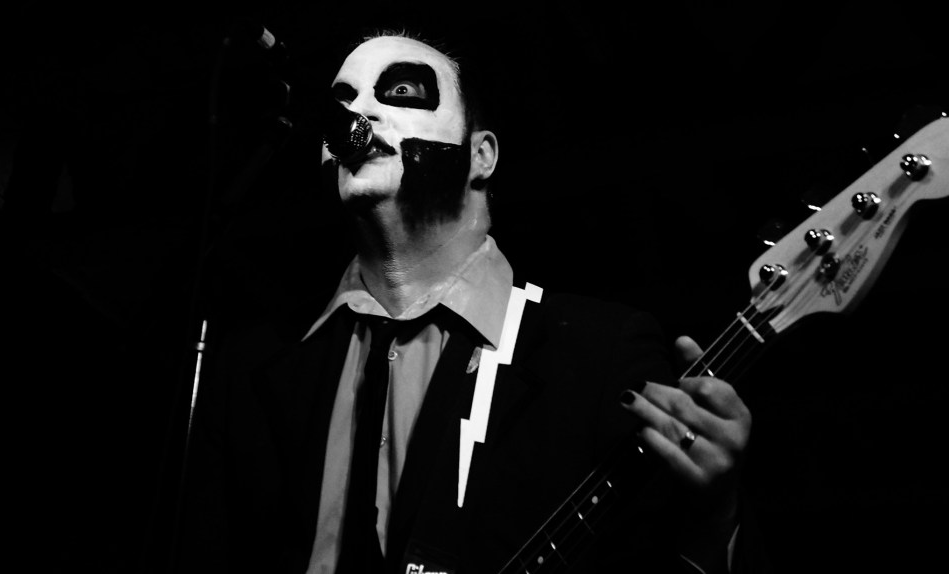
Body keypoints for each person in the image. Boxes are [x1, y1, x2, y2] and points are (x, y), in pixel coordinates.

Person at [178, 27, 754, 574]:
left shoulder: (598, 352)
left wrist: (716, 519)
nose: (359, 114)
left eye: (401, 92)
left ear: (481, 156)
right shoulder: (253, 366)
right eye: (344, 101)